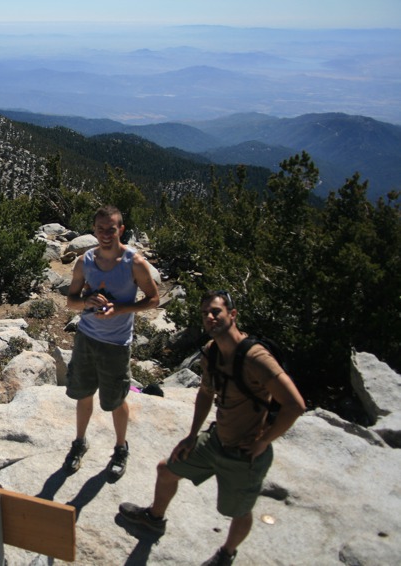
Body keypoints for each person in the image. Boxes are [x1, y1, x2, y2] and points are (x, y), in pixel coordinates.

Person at [118, 290, 306, 566]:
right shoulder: (212, 352)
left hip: (244, 454)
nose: (209, 316)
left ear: (232, 314)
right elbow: (206, 393)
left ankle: (226, 554)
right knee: (167, 470)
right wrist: (192, 435)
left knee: (239, 511)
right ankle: (154, 519)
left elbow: (295, 405)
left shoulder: (256, 358)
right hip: (216, 439)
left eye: (216, 311)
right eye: (205, 312)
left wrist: (264, 441)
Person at [63, 205, 160, 479]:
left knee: (116, 399)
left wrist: (120, 309)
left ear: (121, 230)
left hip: (116, 343)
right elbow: (71, 301)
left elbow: (154, 299)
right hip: (86, 338)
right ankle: (79, 442)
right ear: (94, 230)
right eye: (101, 229)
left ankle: (120, 447)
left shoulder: (134, 263)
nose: (106, 234)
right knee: (83, 393)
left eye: (112, 229)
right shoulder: (85, 261)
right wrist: (86, 302)